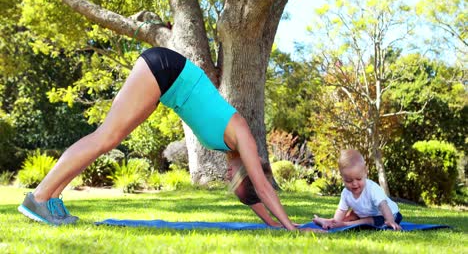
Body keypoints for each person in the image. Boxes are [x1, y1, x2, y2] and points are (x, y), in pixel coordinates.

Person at [18, 47, 297, 230]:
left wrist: (272, 224)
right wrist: (291, 226)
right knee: (106, 136)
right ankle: (40, 196)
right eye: (233, 178)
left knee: (108, 139)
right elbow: (261, 185)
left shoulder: (231, 149)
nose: (227, 175)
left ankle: (52, 201)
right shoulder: (243, 136)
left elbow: (252, 193)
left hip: (167, 84)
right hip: (166, 71)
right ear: (246, 170)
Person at [312, 149, 402, 230]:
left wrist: (390, 221)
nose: (354, 184)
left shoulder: (372, 188)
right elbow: (341, 210)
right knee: (352, 215)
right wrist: (335, 222)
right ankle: (328, 221)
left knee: (368, 220)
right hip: (367, 214)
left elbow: (383, 205)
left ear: (365, 173)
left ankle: (345, 224)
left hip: (389, 215)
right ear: (342, 178)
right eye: (349, 181)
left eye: (359, 179)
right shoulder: (346, 193)